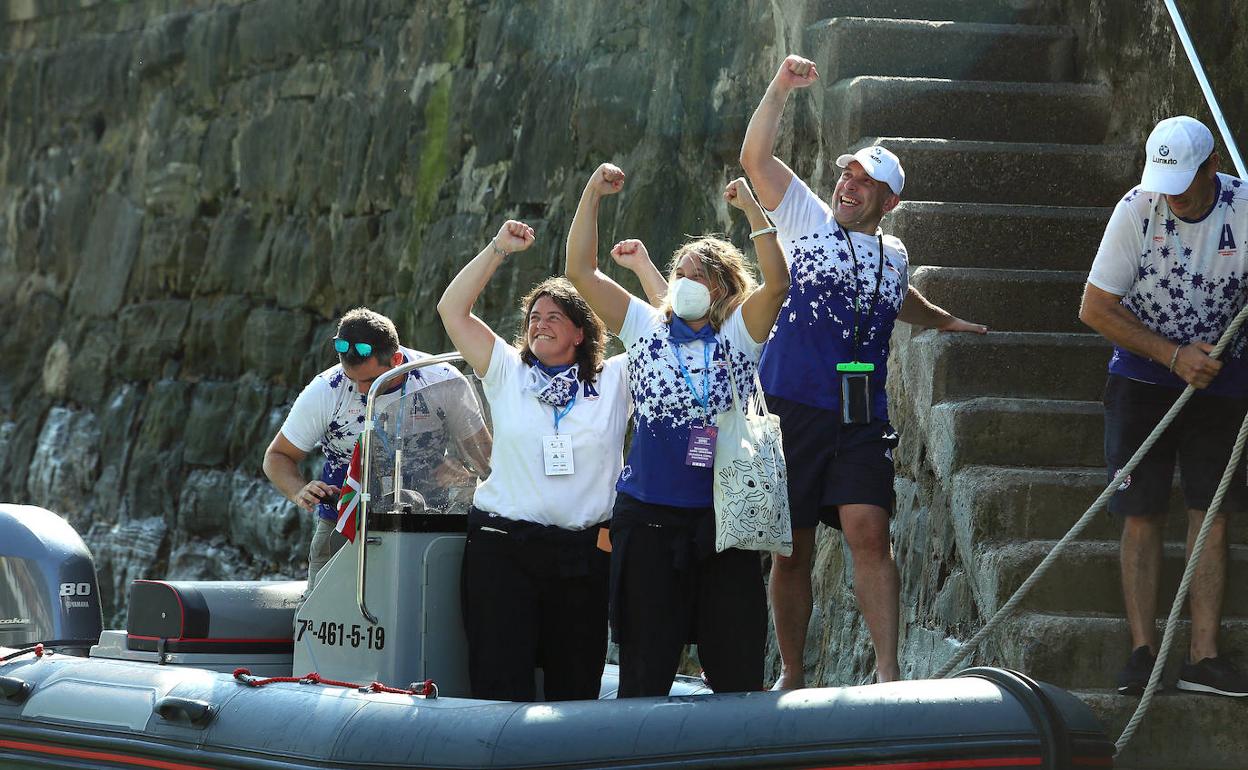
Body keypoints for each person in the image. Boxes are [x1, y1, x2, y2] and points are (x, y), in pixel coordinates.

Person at [739, 54, 987, 687]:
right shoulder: (805, 220)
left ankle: (887, 671)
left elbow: (897, 296)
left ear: (889, 199)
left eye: (863, 180)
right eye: (844, 175)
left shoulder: (894, 252)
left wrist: (941, 319)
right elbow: (756, 160)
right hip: (791, 404)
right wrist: (781, 88)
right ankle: (793, 672)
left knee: (868, 530)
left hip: (860, 410)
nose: (846, 185)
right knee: (790, 547)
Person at [566, 162, 790, 697]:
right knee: (644, 676)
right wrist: (593, 194)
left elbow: (778, 282)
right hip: (647, 524)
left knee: (737, 676)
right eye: (681, 274)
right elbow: (580, 270)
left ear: (723, 288)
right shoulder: (644, 326)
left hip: (724, 526)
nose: (687, 283)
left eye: (700, 276)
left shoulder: (739, 333)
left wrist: (752, 210)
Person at [437, 220, 643, 702]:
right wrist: (497, 250)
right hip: (504, 548)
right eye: (534, 316)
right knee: (498, 681)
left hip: (585, 554)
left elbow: (663, 336)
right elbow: (452, 309)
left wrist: (643, 269)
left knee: (576, 687)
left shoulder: (613, 381)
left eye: (554, 316)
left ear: (580, 331)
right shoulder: (507, 370)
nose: (539, 323)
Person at [1080, 115, 1248, 698]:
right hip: (1143, 372)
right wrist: (1172, 356)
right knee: (1141, 508)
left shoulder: (1244, 207)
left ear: (1211, 167)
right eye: (1164, 179)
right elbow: (1095, 307)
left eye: (1184, 180)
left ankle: (1204, 657)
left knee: (1213, 509)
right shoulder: (1136, 208)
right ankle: (1142, 651)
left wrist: (1203, 359)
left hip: (1224, 374)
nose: (1172, 194)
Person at [263, 307, 490, 592]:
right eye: (352, 378)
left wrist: (466, 473)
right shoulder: (327, 389)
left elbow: (485, 458)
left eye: (370, 381)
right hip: (344, 518)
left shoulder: (441, 379)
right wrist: (299, 490)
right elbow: (277, 456)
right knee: (324, 607)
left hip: (428, 519)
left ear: (396, 360)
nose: (360, 391)